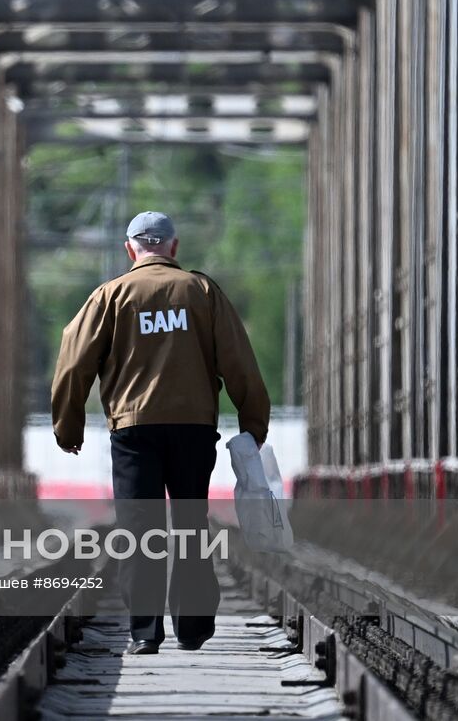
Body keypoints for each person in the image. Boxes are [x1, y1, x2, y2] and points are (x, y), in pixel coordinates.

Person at [49, 211, 270, 655]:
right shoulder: (203, 291)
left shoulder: (110, 296)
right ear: (174, 246)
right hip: (193, 429)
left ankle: (145, 633)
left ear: (129, 249)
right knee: (190, 523)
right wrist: (253, 422)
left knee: (138, 530)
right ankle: (191, 627)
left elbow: (75, 363)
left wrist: (67, 425)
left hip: (134, 431)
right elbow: (238, 360)